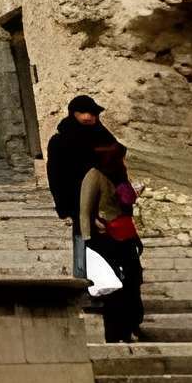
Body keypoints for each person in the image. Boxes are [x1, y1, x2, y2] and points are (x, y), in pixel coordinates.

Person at [79, 138, 147, 344]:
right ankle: (116, 332)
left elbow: (126, 203)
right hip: (105, 238)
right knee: (115, 287)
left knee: (133, 280)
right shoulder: (94, 176)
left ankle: (131, 325)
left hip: (125, 235)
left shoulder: (119, 176)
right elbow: (85, 210)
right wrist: (88, 239)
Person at [45, 96, 111, 275]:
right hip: (77, 200)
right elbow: (55, 176)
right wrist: (64, 205)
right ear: (73, 114)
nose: (88, 117)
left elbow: (116, 167)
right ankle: (85, 281)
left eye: (92, 113)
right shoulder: (60, 141)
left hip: (106, 203)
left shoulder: (103, 137)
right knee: (84, 239)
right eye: (82, 112)